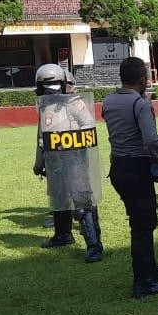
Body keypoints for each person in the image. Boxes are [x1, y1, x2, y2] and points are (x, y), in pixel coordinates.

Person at [101, 57, 158, 299]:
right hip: (137, 168)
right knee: (142, 227)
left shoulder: (108, 101)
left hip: (119, 167)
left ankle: (151, 269)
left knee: (141, 221)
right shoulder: (139, 104)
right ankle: (143, 283)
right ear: (143, 79)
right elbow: (151, 139)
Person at [33, 64, 104, 263]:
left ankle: (94, 245)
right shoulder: (44, 106)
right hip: (54, 161)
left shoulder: (74, 102)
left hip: (74, 161)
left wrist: (70, 141)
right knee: (58, 199)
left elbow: (89, 127)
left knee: (82, 202)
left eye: (54, 84)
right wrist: (39, 162)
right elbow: (41, 138)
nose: (50, 89)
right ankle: (62, 235)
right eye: (46, 85)